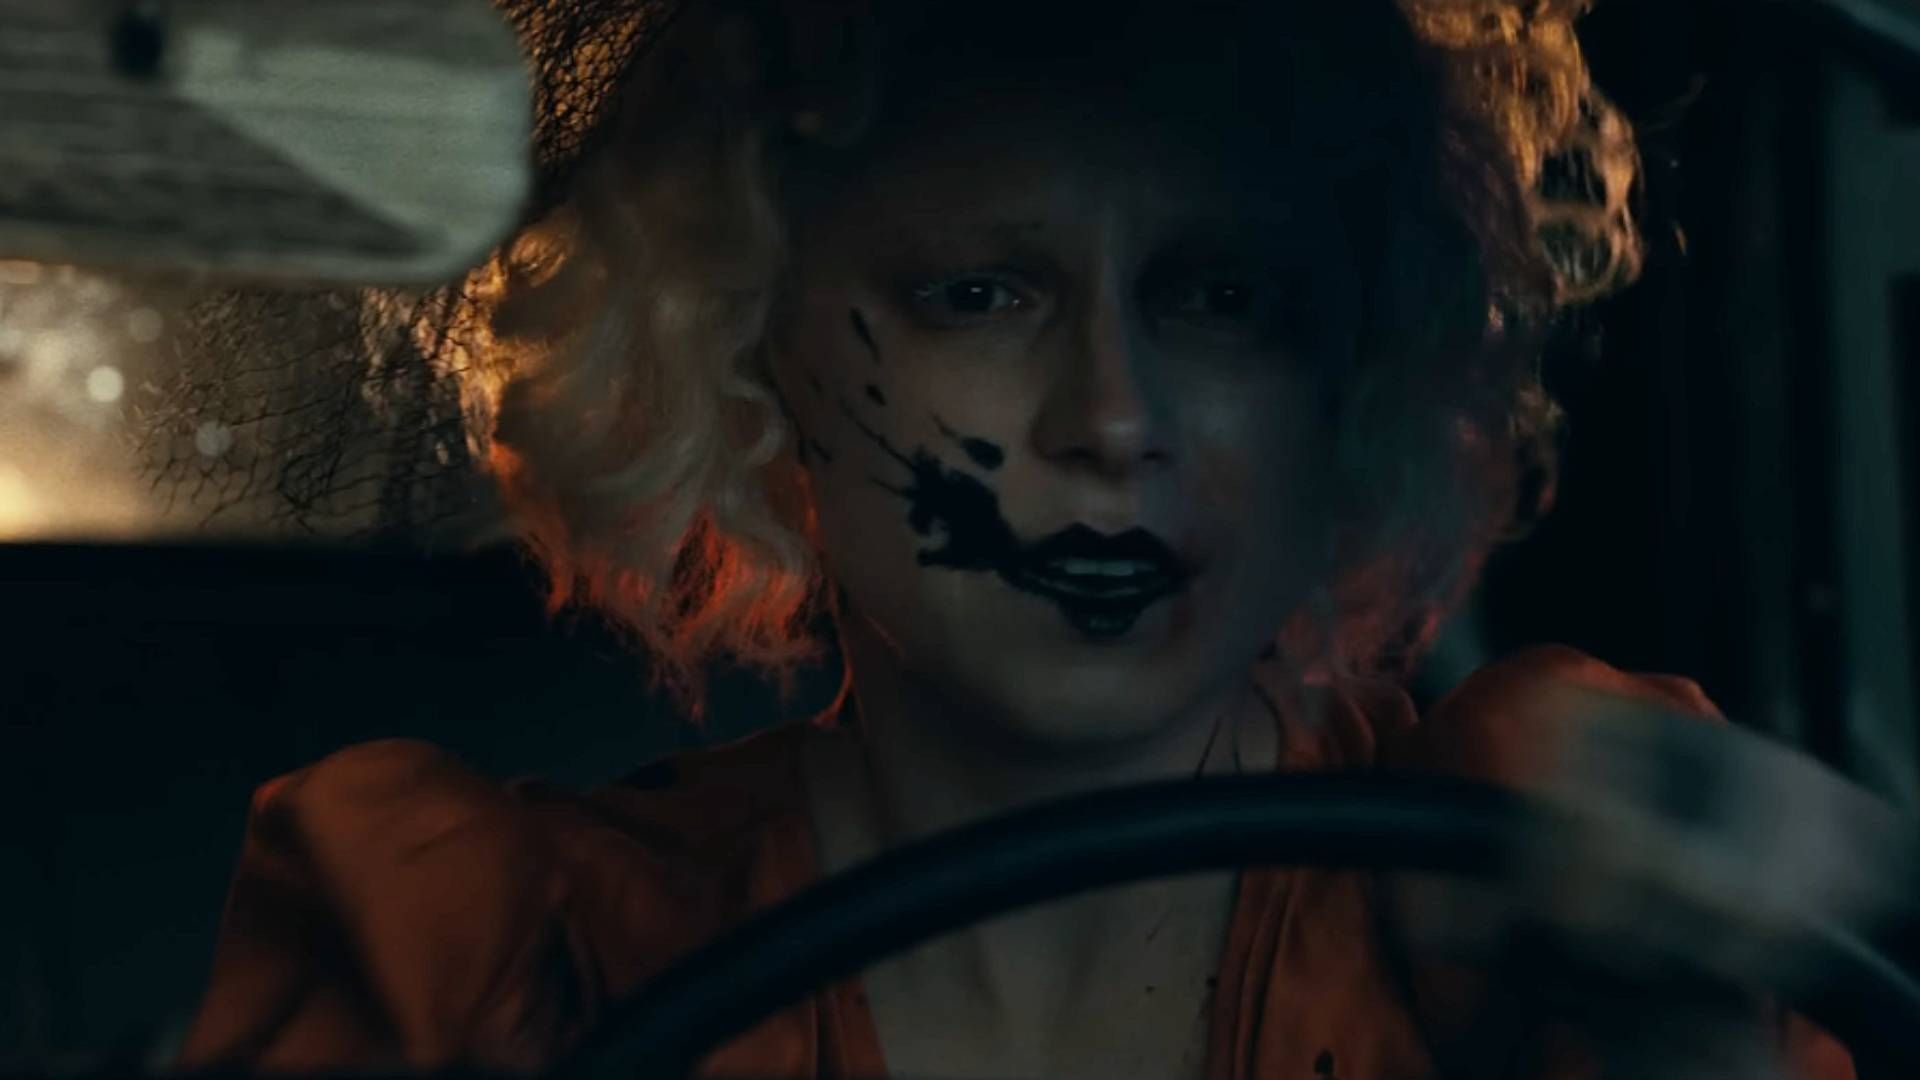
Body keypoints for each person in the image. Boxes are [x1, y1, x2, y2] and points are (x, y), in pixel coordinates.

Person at [175, 1, 1875, 1076]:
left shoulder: (1533, 897)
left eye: (1222, 297)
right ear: (744, 349)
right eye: (979, 293)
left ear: (1348, 378)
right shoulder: (480, 958)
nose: (1113, 416)